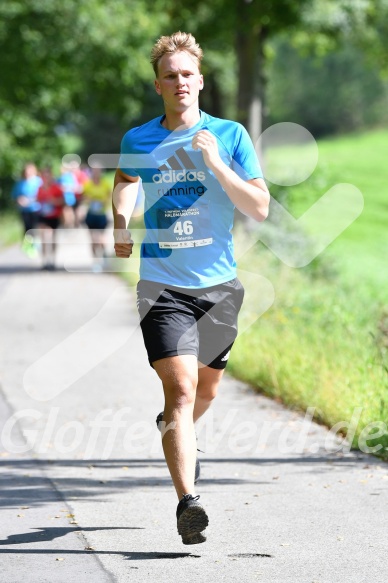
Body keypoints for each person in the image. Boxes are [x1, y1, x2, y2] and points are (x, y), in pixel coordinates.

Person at [112, 32, 270, 545]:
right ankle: (188, 502)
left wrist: (218, 164)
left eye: (187, 74)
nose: (180, 82)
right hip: (162, 285)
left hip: (219, 287)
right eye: (170, 75)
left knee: (206, 390)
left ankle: (173, 427)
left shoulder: (229, 134)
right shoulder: (140, 139)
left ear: (199, 81)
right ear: (158, 85)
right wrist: (120, 220)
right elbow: (124, 178)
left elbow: (259, 208)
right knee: (180, 390)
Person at [82, 166, 112, 271]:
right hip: (91, 214)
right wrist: (89, 200)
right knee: (93, 240)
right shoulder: (87, 184)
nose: (96, 173)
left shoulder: (105, 183)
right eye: (94, 171)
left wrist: (103, 201)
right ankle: (95, 261)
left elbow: (110, 196)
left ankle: (104, 256)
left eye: (98, 171)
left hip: (102, 214)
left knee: (101, 239)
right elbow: (83, 196)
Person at [11, 163, 42, 257]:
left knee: (36, 228)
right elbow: (14, 196)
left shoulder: (39, 181)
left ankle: (37, 245)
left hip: (37, 209)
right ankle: (29, 247)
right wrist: (19, 200)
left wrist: (32, 200)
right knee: (27, 229)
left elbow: (44, 195)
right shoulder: (20, 183)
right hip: (24, 210)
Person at [37, 167, 64, 270]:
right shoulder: (40, 188)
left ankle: (52, 260)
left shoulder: (56, 188)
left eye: (48, 176)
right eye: (44, 176)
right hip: (43, 216)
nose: (46, 178)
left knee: (52, 238)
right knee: (44, 237)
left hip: (54, 216)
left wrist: (53, 201)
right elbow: (38, 200)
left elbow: (62, 201)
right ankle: (44, 261)